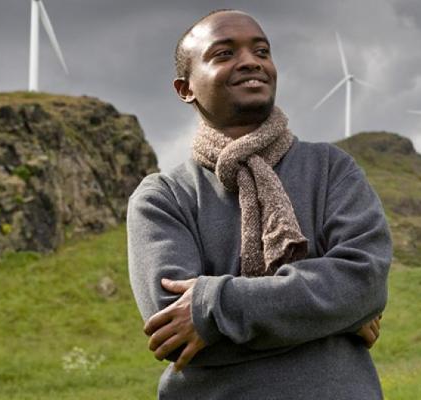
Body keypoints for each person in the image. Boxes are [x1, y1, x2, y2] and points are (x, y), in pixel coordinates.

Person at [127, 9, 391, 399]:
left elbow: (363, 282)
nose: (251, 61)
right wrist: (334, 315)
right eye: (223, 54)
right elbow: (174, 330)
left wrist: (212, 307)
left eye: (262, 51)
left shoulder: (332, 169)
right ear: (185, 89)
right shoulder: (162, 197)